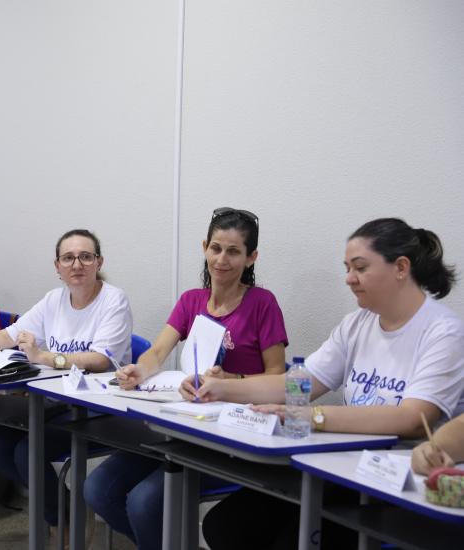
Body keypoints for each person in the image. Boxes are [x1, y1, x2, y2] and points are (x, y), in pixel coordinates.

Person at [190, 217, 464, 550]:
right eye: (347, 268)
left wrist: (313, 416)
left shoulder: (443, 332)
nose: (349, 278)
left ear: (401, 268)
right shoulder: (357, 324)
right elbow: (299, 384)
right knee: (226, 526)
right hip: (345, 466)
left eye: (360, 268)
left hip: (400, 482)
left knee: (290, 541)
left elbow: (412, 419)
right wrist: (220, 388)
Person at [83, 207, 288, 550]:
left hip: (229, 436)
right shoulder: (191, 300)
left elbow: (277, 377)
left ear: (251, 258)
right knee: (97, 489)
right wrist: (139, 370)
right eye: (216, 248)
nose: (222, 259)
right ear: (205, 247)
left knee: (144, 503)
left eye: (234, 251)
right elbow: (157, 352)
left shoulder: (262, 304)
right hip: (181, 426)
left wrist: (231, 380)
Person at [0, 228, 134, 538]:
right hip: (56, 402)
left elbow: (100, 360)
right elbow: (11, 335)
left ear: (99, 262)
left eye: (86, 257)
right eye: (68, 258)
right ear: (57, 266)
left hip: (98, 409)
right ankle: (67, 509)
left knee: (27, 451)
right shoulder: (54, 300)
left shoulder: (113, 300)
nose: (77, 264)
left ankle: (63, 520)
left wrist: (45, 357)